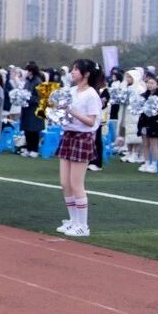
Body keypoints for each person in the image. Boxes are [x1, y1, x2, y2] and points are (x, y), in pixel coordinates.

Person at [55, 59, 104, 237]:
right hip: (68, 135)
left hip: (82, 138)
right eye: (73, 69)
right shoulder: (71, 90)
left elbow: (91, 121)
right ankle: (73, 220)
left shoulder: (91, 94)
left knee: (76, 184)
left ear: (86, 74)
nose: (73, 72)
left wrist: (72, 111)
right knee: (65, 183)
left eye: (76, 69)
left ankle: (83, 225)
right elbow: (65, 112)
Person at [135, 72, 158, 172]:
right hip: (144, 123)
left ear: (157, 85)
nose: (149, 85)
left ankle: (154, 164)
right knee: (145, 144)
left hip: (156, 124)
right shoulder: (143, 95)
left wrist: (155, 112)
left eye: (152, 83)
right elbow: (138, 108)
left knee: (154, 144)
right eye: (148, 83)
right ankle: (146, 162)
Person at [19, 62, 45, 156]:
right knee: (27, 130)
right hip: (26, 109)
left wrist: (29, 98)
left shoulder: (38, 81)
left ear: (31, 72)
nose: (25, 72)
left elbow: (40, 97)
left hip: (34, 110)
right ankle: (28, 148)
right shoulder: (27, 81)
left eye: (27, 71)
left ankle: (34, 149)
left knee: (34, 130)